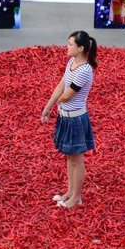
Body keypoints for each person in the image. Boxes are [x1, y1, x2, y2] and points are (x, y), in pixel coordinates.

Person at [41, 30, 98, 210]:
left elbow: (67, 95)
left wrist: (57, 102)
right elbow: (61, 85)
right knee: (69, 158)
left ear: (81, 48)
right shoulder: (72, 62)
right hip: (66, 117)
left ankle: (76, 197)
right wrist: (48, 106)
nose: (67, 47)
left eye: (71, 44)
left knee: (77, 160)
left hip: (75, 119)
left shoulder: (85, 70)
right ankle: (70, 191)